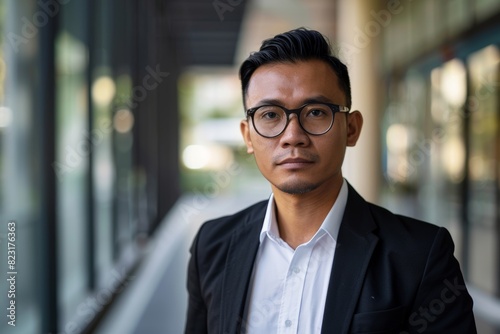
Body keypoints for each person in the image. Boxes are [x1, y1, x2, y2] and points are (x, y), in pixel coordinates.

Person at [185, 28, 477, 334]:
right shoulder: (212, 246)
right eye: (270, 115)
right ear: (248, 135)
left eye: (315, 112)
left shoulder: (420, 255)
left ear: (351, 128)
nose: (292, 136)